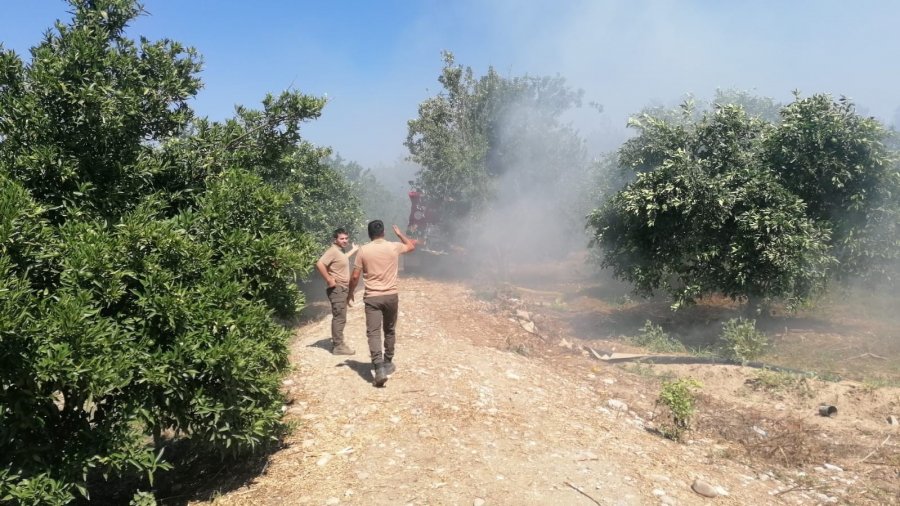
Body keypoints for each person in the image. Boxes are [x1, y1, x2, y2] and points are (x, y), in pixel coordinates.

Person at [348, 220, 416, 387]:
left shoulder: (363, 250)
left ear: (369, 234)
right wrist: (400, 234)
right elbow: (411, 246)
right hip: (391, 296)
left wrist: (350, 292)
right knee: (390, 329)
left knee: (373, 333)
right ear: (383, 232)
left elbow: (355, 276)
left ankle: (378, 368)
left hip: (372, 297)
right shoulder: (393, 246)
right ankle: (388, 362)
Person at [315, 228, 359, 355]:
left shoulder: (339, 251)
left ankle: (338, 343)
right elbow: (319, 263)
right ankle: (338, 346)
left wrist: (353, 250)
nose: (345, 241)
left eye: (346, 238)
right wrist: (329, 279)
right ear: (335, 240)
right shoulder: (332, 251)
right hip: (337, 289)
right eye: (342, 238)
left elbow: (342, 258)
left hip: (342, 289)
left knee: (341, 316)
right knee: (339, 317)